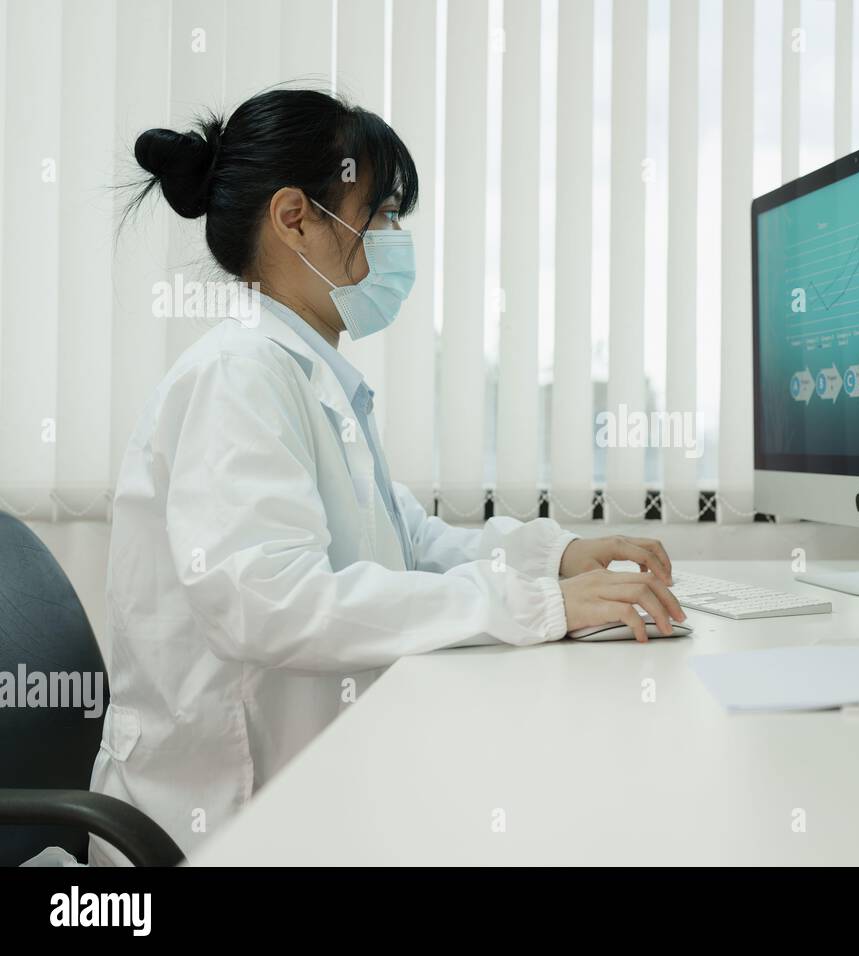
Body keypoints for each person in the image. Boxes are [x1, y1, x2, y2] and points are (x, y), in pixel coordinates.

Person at [90, 88, 685, 865]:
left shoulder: (306, 374)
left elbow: (409, 540)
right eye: (379, 213)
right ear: (293, 217)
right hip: (222, 820)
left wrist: (555, 560)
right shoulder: (239, 376)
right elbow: (271, 604)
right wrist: (535, 606)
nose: (395, 239)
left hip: (309, 789)